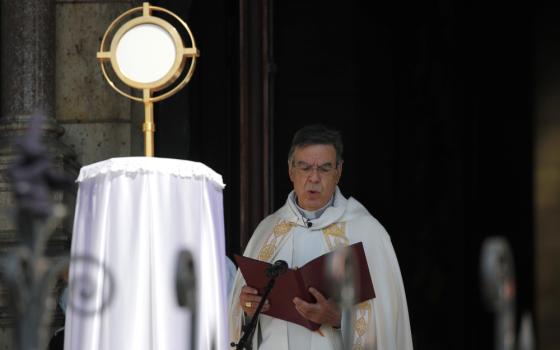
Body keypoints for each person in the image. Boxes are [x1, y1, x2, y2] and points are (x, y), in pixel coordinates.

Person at [228, 124, 413, 349]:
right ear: (290, 170)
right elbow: (238, 320)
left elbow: (387, 324)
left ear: (339, 171)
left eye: (324, 168)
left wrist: (337, 319)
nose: (314, 178)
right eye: (305, 167)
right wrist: (248, 310)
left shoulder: (367, 232)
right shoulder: (268, 231)